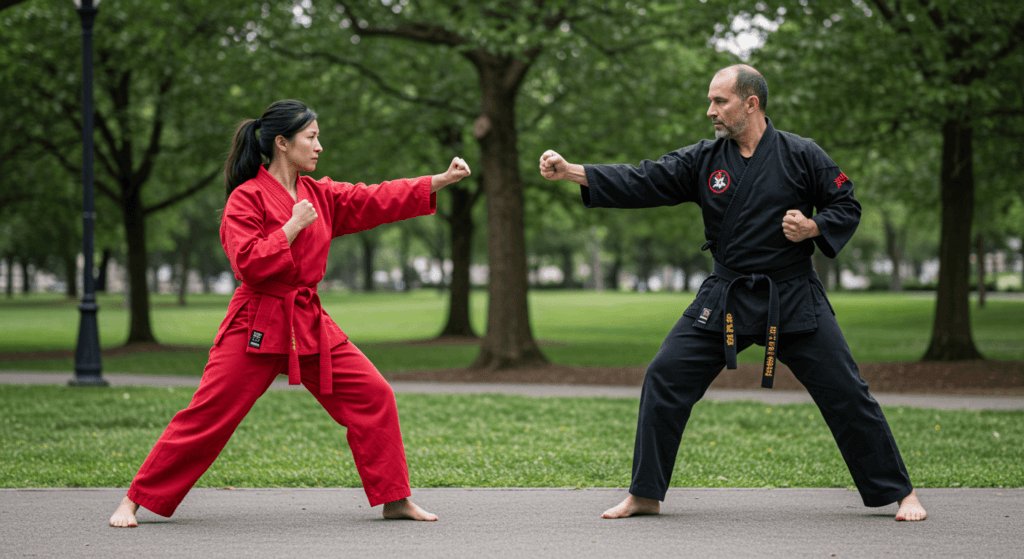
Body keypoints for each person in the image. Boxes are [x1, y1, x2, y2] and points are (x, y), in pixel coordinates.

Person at [538, 65, 927, 522]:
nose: (710, 111)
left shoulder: (803, 154)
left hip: (793, 294)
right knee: (665, 376)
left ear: (751, 103)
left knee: (846, 390)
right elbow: (645, 178)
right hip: (727, 293)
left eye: (720, 101)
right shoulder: (704, 160)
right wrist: (573, 173)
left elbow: (847, 203)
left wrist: (815, 227)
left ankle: (902, 494)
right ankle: (645, 492)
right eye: (710, 101)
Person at [110, 99, 470, 527]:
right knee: (208, 415)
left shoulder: (320, 194)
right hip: (255, 323)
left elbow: (374, 198)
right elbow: (247, 263)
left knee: (374, 395)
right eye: (312, 137)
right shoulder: (246, 198)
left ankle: (395, 499)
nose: (320, 146)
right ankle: (132, 500)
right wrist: (291, 226)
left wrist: (438, 181)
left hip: (307, 322)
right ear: (282, 143)